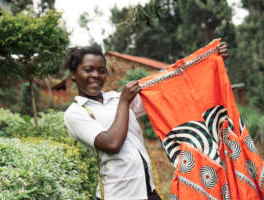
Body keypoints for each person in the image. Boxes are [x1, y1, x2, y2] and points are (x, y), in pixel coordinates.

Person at [63, 42, 228, 200]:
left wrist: (209, 63)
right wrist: (125, 102)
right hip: (118, 194)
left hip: (147, 190)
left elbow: (166, 90)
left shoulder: (115, 98)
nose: (95, 76)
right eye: (88, 70)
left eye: (101, 70)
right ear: (73, 74)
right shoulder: (76, 112)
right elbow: (112, 144)